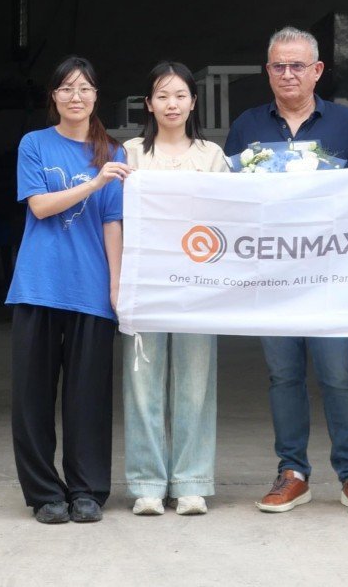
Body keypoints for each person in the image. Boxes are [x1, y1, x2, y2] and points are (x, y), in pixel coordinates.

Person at [224, 26, 348, 516]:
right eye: (278, 66)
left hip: (331, 276)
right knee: (283, 376)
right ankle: (292, 473)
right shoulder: (247, 125)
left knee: (338, 375)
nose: (287, 74)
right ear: (267, 71)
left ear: (317, 71)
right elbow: (227, 200)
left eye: (297, 65)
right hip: (271, 277)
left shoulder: (346, 125)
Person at [5, 56, 132, 524]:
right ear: (54, 96)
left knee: (88, 397)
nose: (76, 97)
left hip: (90, 289)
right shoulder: (35, 144)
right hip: (39, 286)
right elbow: (39, 206)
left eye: (84, 89)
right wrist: (95, 181)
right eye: (66, 89)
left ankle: (87, 490)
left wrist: (116, 285)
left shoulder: (114, 152)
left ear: (96, 96)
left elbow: (113, 223)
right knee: (33, 396)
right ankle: (44, 493)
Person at [122, 61, 229, 517]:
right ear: (148, 104)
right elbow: (115, 218)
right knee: (142, 384)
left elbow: (232, 217)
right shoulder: (129, 153)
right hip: (144, 283)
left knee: (195, 385)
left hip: (198, 286)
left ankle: (191, 482)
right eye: (162, 96)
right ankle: (147, 483)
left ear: (193, 102)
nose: (172, 104)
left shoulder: (212, 155)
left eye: (180, 95)